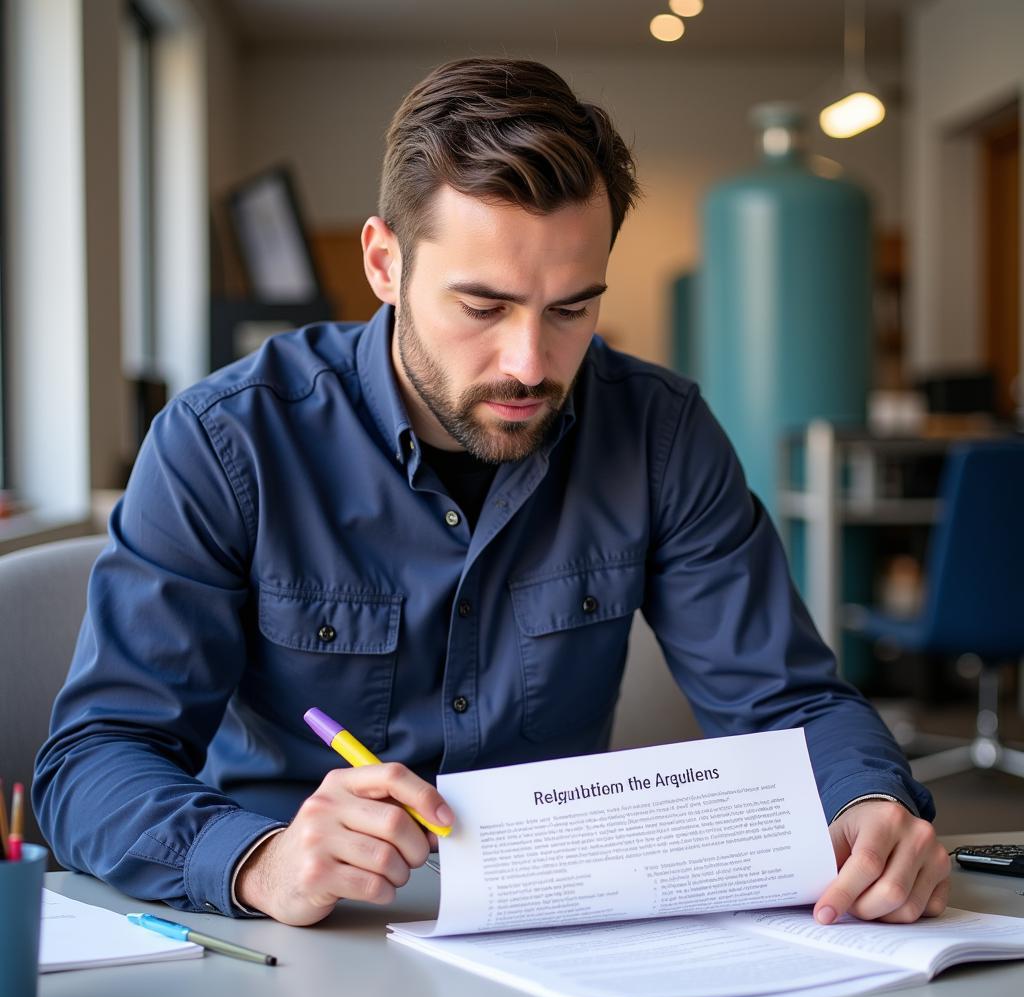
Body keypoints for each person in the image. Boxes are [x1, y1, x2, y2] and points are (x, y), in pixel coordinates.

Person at [34, 57, 949, 929]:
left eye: (570, 310)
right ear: (384, 264)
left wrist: (865, 800)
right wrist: (257, 859)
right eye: (483, 307)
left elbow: (792, 704)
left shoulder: (659, 434)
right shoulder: (225, 442)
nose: (529, 363)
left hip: (562, 926)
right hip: (305, 934)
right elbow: (93, 760)